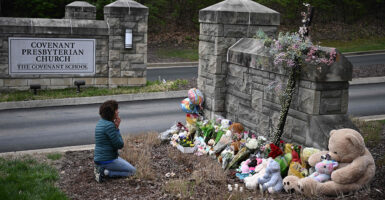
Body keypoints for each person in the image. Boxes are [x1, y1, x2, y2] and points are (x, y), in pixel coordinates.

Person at [94, 100, 136, 183]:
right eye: (116, 110)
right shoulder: (110, 126)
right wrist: (117, 129)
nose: (118, 111)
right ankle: (105, 173)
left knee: (128, 168)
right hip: (107, 160)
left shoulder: (101, 122)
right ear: (111, 113)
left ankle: (101, 169)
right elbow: (119, 144)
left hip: (100, 158)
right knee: (133, 171)